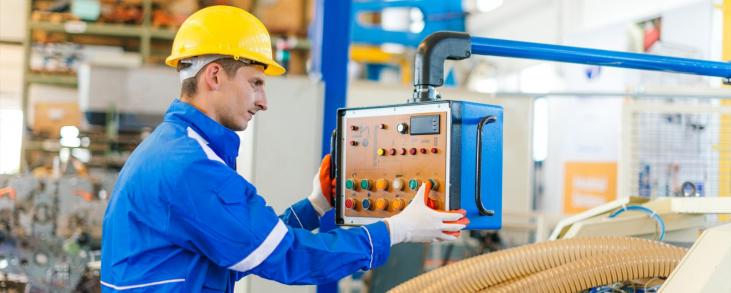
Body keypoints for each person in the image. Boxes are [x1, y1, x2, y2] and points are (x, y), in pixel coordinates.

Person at [100, 5, 467, 292]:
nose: (264, 101)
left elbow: (250, 238)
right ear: (214, 76)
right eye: (256, 82)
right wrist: (395, 230)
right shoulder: (192, 168)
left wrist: (316, 205)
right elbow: (286, 256)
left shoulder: (174, 150)